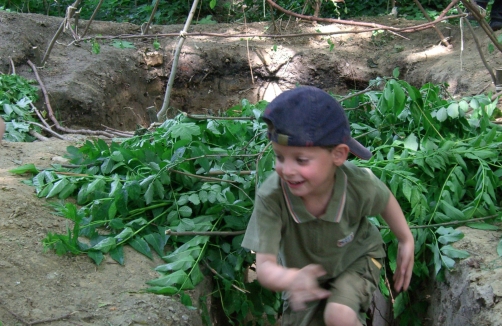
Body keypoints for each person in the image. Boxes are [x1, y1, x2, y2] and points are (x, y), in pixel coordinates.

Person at [241, 86, 414, 326]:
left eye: (301, 160)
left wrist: (405, 239)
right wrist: (291, 278)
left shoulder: (357, 184)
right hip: (302, 274)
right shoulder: (272, 197)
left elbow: (384, 200)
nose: (287, 170)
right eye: (280, 157)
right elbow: (265, 267)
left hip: (357, 258)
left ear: (339, 155)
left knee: (338, 316)